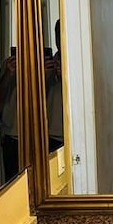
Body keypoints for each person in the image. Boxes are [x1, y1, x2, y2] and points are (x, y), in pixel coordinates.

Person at [0, 47, 19, 182]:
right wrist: (8, 75)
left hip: (45, 137)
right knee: (12, 183)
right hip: (12, 136)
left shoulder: (52, 65)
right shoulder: (9, 65)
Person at [45, 19, 64, 152]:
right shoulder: (49, 63)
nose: (59, 38)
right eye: (57, 34)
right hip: (50, 133)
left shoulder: (79, 64)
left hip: (71, 132)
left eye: (61, 33)